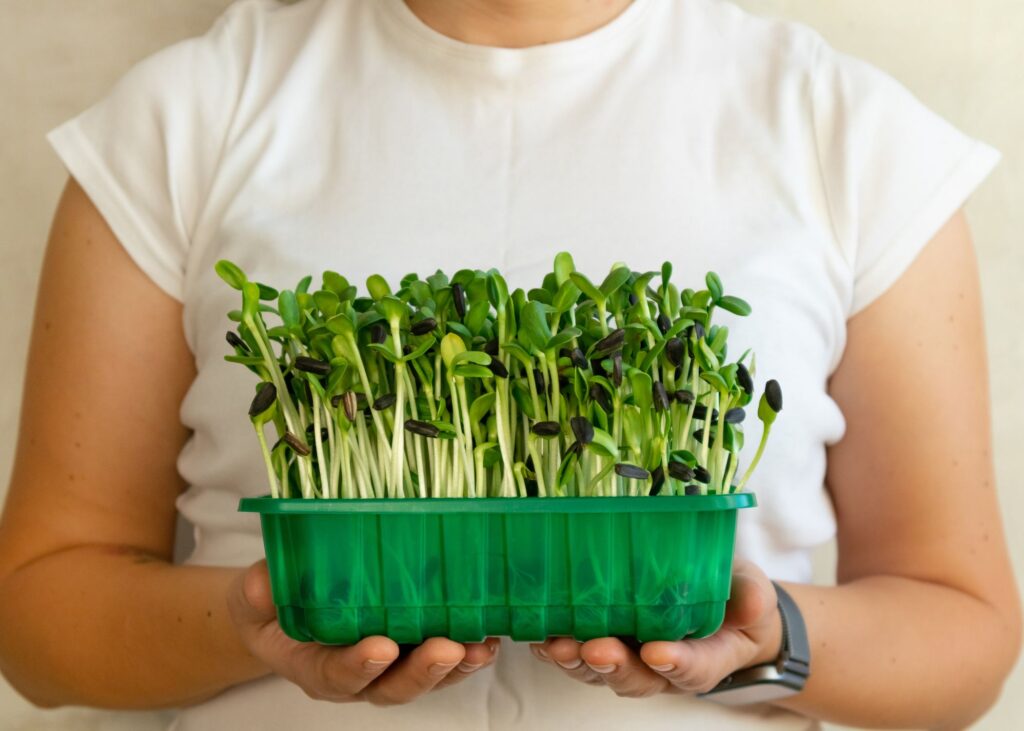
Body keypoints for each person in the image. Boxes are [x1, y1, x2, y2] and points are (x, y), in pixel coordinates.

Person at [0, 0, 1019, 728]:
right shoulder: (187, 115)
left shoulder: (847, 132)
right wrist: (252, 618)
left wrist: (770, 636)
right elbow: (40, 616)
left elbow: (961, 632)